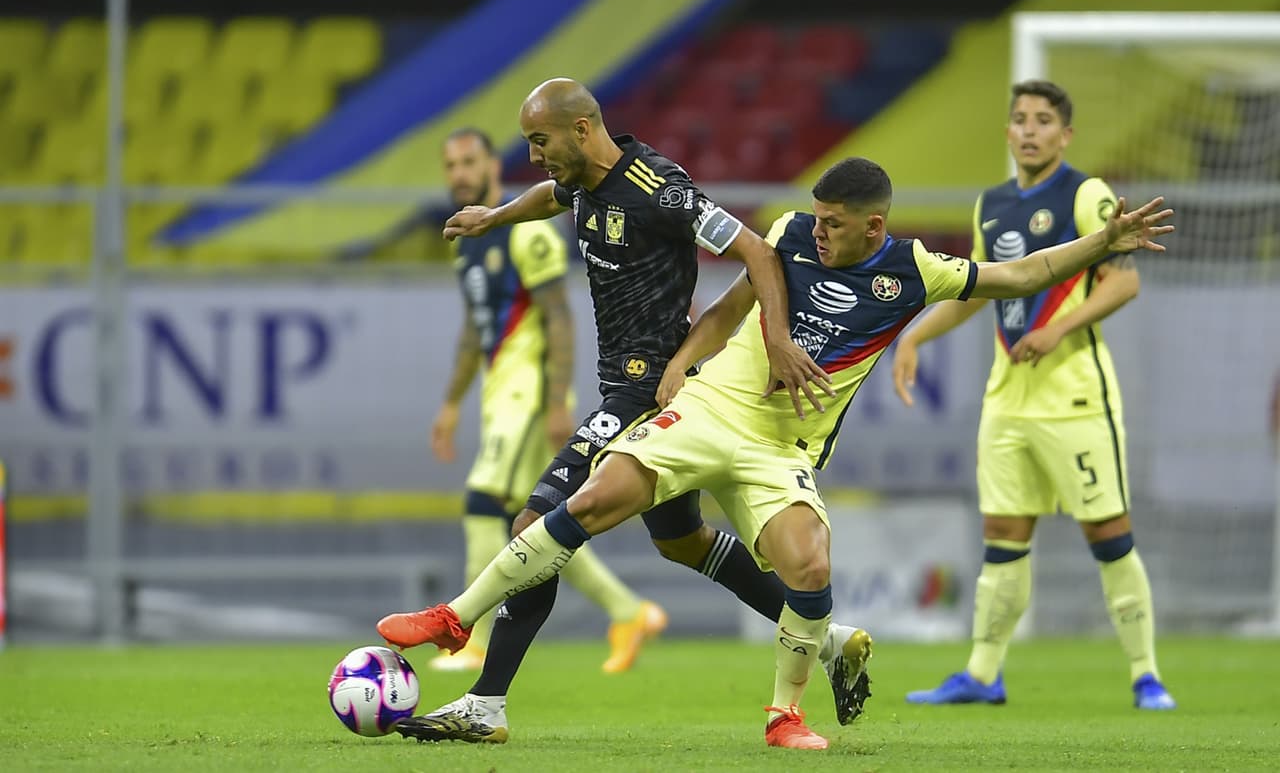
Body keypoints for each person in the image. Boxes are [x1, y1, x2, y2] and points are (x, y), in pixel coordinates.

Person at [384, 156, 1173, 750]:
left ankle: (784, 713)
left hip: (780, 446)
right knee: (587, 502)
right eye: (816, 216)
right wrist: (677, 366)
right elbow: (726, 312)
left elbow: (1026, 271)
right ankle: (453, 618)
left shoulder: (914, 270)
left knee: (811, 564)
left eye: (834, 221)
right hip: (710, 405)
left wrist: (1103, 239)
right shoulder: (790, 237)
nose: (816, 228)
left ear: (873, 225)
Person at [378, 79, 873, 743]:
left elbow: (755, 249)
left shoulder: (661, 190)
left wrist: (776, 339)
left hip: (653, 392)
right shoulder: (582, 180)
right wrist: (494, 217)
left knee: (533, 521)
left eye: (540, 140)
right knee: (682, 541)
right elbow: (550, 195)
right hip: (630, 386)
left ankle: (485, 700)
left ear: (581, 129)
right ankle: (830, 637)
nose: (534, 156)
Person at [895, 80, 1177, 711]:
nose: (1029, 129)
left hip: (1075, 397)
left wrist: (1056, 328)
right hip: (1007, 400)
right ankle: (982, 673)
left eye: (1043, 120)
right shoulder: (990, 204)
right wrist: (913, 338)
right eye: (1020, 119)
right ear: (1008, 132)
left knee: (1109, 535)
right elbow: (977, 289)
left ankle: (1145, 674)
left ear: (1065, 134)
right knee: (1002, 537)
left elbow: (1122, 285)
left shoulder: (1085, 194)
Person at [429, 126, 667, 673]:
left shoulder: (525, 233)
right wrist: (450, 403)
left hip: (530, 395)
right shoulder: (470, 240)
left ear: (492, 166)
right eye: (451, 166)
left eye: (469, 162)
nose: (460, 174)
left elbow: (558, 316)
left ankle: (472, 640)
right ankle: (628, 610)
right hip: (500, 394)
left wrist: (558, 399)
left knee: (483, 503)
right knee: (533, 523)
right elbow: (474, 329)